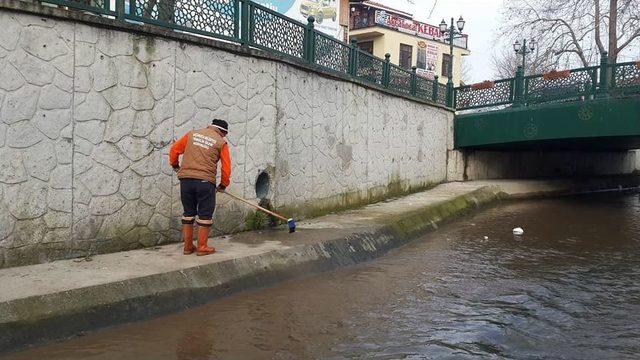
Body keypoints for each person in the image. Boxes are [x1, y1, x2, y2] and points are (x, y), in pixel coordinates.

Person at [169, 119, 231, 256]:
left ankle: (187, 247)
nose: (224, 137)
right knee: (205, 214)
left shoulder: (192, 134)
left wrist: (175, 165)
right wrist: (223, 185)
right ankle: (202, 247)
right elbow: (226, 168)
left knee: (188, 213)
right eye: (224, 134)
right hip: (205, 182)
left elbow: (174, 150)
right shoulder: (221, 142)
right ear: (223, 131)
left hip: (185, 180)